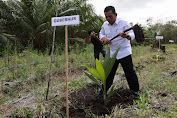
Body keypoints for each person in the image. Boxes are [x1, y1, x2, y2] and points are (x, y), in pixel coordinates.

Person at [99, 6, 139, 94]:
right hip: (113, 54)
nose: (108, 18)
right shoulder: (105, 25)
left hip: (124, 52)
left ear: (115, 14)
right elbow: (101, 33)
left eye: (110, 16)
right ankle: (103, 92)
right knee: (108, 74)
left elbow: (132, 34)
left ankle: (135, 92)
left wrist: (126, 36)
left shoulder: (123, 23)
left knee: (129, 73)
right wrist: (104, 38)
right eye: (106, 17)